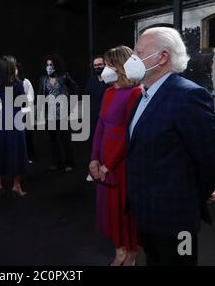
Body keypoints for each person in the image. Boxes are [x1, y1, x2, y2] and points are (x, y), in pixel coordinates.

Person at [125, 27, 215, 266]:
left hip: (176, 220)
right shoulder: (143, 96)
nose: (132, 59)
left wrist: (194, 194)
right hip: (146, 215)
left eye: (139, 53)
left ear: (162, 57)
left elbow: (213, 159)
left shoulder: (187, 96)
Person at [89, 46, 142, 266]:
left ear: (120, 67)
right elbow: (100, 126)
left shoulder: (136, 93)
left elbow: (128, 135)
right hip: (103, 158)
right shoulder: (109, 92)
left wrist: (107, 166)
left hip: (121, 163)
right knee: (109, 208)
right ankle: (119, 249)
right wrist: (93, 159)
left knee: (123, 209)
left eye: (110, 64)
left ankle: (130, 252)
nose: (105, 69)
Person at [37, 55, 79, 173]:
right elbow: (40, 95)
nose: (49, 67)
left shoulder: (63, 77)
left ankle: (69, 162)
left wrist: (70, 102)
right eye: (47, 65)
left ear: (56, 66)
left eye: (51, 65)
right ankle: (57, 162)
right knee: (53, 140)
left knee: (65, 139)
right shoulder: (43, 79)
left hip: (62, 114)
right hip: (50, 114)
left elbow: (75, 87)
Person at [0, 56, 28, 197]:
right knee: (18, 151)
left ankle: (0, 183)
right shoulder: (18, 84)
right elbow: (23, 102)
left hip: (2, 119)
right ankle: (16, 185)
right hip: (15, 119)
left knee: (3, 149)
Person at [16, 62, 36, 164]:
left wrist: (22, 104)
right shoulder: (11, 83)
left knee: (28, 136)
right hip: (16, 114)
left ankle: (30, 155)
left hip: (26, 112)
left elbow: (30, 97)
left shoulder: (26, 82)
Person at [84, 55, 109, 134]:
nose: (98, 67)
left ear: (105, 65)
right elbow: (86, 98)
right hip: (93, 119)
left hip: (107, 119)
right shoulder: (91, 81)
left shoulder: (110, 81)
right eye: (95, 65)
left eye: (100, 64)